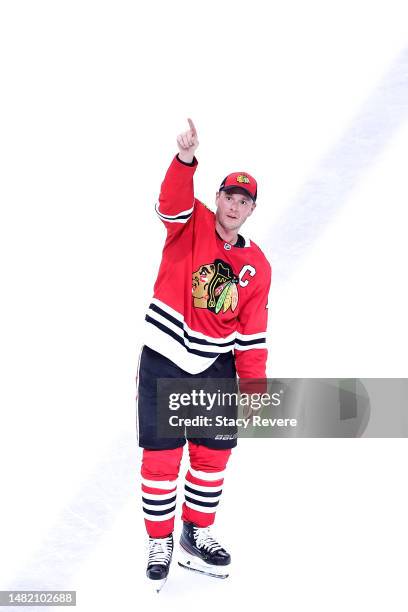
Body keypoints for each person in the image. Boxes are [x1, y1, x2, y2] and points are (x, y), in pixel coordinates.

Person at [136, 118, 272, 591]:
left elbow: (253, 333)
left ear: (251, 210)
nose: (234, 206)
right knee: (162, 459)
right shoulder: (190, 222)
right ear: (217, 198)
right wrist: (186, 159)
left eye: (244, 201)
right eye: (229, 197)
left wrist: (253, 387)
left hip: (216, 367)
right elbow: (169, 203)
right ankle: (160, 540)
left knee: (212, 458)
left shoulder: (258, 265)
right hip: (166, 357)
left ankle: (196, 532)